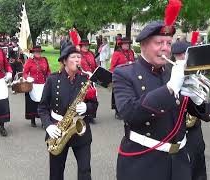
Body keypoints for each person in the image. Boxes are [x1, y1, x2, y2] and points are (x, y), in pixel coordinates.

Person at [113, 20, 210, 180]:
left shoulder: (173, 71)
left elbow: (207, 115)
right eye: (159, 42)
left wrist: (197, 99)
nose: (165, 48)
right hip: (142, 162)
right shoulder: (125, 73)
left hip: (179, 161)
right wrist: (170, 88)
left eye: (168, 43)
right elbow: (129, 112)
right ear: (143, 45)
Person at [38, 42, 98, 180]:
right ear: (65, 60)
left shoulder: (85, 79)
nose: (78, 60)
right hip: (58, 130)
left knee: (85, 171)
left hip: (80, 130)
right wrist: (48, 125)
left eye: (79, 57)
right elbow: (42, 107)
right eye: (74, 57)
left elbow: (94, 104)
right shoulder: (52, 80)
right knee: (56, 173)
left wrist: (87, 107)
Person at [172, 41, 210, 180]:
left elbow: (208, 114)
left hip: (194, 130)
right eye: (178, 55)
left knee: (198, 164)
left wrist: (199, 98)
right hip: (176, 131)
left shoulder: (198, 74)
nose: (182, 58)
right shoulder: (171, 74)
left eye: (184, 54)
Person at [23, 46, 51, 127]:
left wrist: (49, 78)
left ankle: (43, 121)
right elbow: (24, 73)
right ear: (33, 53)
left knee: (43, 103)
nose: (38, 53)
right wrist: (27, 78)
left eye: (39, 51)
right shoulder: (29, 61)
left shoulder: (44, 60)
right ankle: (32, 119)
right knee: (33, 103)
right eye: (36, 52)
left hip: (43, 84)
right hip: (34, 85)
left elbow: (48, 71)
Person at [110, 37, 135, 120]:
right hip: (120, 77)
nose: (127, 45)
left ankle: (128, 110)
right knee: (119, 95)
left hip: (131, 76)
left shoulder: (131, 52)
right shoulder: (117, 53)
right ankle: (118, 111)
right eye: (126, 43)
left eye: (128, 43)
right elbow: (112, 67)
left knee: (130, 94)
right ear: (121, 45)